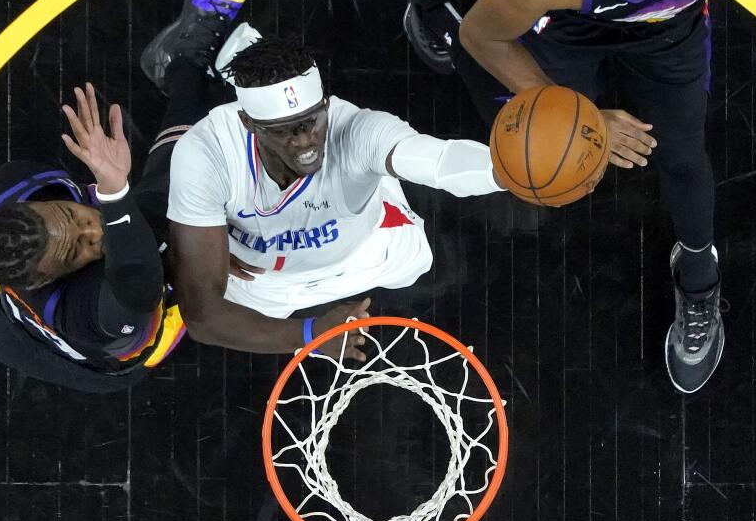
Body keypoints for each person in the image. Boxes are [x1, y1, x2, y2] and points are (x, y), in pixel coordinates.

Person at [400, 0, 756, 394]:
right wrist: (581, 119)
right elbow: (486, 36)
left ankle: (698, 277)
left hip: (668, 31)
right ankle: (438, 8)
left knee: (684, 155)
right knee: (524, 146)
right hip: (569, 25)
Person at [0, 0, 251, 418]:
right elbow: (137, 284)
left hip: (93, 261)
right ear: (46, 278)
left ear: (37, 205)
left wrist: (124, 202)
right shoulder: (88, 315)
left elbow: (96, 229)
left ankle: (183, 62)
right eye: (78, 250)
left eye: (72, 216)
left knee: (182, 174)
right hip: (123, 344)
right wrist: (118, 193)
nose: (96, 230)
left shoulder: (15, 185)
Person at [166, 34, 506, 357]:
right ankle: (232, 48)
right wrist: (312, 335)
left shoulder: (357, 130)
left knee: (417, 265)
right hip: (264, 282)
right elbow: (202, 314)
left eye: (311, 121)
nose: (304, 141)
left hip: (370, 254)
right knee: (175, 283)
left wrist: (506, 171)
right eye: (283, 129)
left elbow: (441, 162)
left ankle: (241, 48)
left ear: (325, 105)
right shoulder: (208, 150)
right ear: (248, 122)